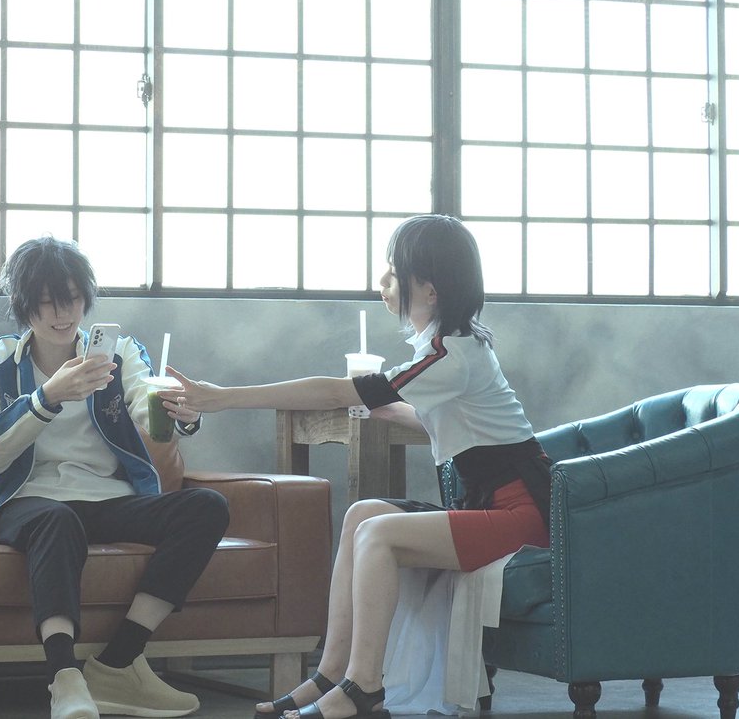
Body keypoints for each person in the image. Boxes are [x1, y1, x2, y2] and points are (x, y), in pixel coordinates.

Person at [168, 215, 552, 719]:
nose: (383, 282)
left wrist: (223, 398)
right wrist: (382, 406)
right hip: (487, 506)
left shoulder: (449, 355)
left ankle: (364, 685)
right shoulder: (448, 346)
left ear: (430, 289)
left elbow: (336, 391)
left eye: (394, 273)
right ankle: (330, 674)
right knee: (362, 514)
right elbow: (445, 424)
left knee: (379, 533)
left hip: (520, 519)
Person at [0, 237, 230, 719]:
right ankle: (64, 679)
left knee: (207, 507)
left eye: (71, 299)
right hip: (25, 500)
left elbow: (147, 406)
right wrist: (46, 397)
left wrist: (181, 414)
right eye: (46, 302)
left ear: (86, 297)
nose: (61, 314)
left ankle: (118, 663)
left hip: (107, 499)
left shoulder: (118, 353)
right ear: (24, 305)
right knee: (57, 519)